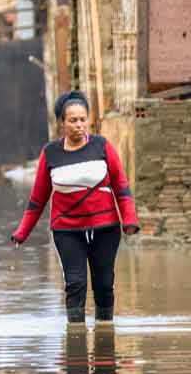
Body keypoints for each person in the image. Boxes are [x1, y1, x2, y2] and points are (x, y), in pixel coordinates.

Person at [11, 91, 140, 325]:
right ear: (62, 122)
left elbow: (121, 186)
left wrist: (129, 220)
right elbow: (38, 199)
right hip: (67, 229)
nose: (79, 125)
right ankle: (76, 341)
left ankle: (104, 334)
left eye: (83, 119)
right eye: (73, 120)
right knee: (75, 283)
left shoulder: (102, 147)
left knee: (103, 283)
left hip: (105, 228)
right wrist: (22, 233)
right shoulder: (50, 153)